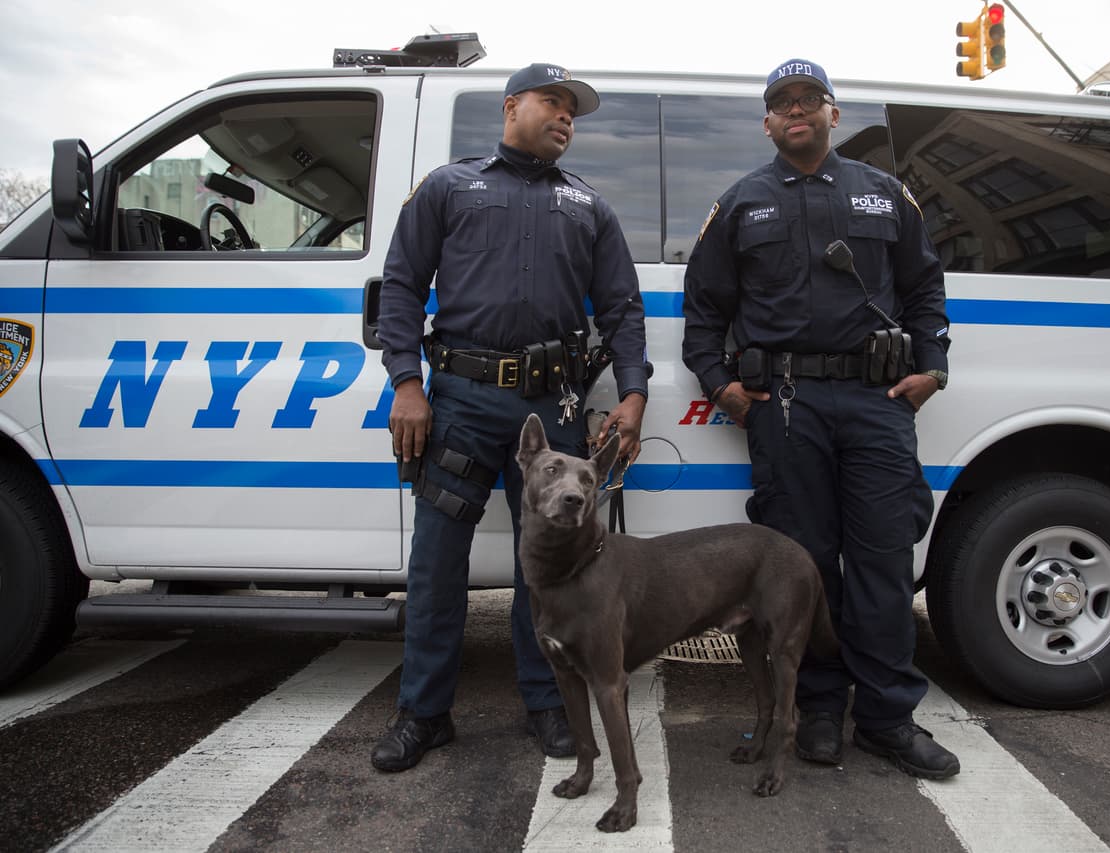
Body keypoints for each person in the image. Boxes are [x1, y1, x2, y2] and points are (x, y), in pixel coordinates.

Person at [681, 59, 959, 779]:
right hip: (787, 406)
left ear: (834, 115)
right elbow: (703, 312)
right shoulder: (742, 203)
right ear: (769, 122)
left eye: (810, 99)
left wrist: (934, 369)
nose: (796, 110)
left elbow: (926, 288)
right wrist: (722, 387)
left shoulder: (883, 195)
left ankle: (890, 719)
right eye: (782, 103)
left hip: (876, 404)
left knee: (883, 563)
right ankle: (822, 707)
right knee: (802, 571)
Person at [372, 63, 648, 772]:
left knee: (551, 568)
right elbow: (401, 283)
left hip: (549, 408)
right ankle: (424, 713)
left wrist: (633, 393)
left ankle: (548, 704)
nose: (565, 117)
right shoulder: (449, 186)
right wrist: (407, 383)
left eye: (572, 110)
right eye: (552, 102)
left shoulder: (589, 206)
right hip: (459, 400)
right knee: (437, 562)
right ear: (510, 107)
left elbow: (621, 308)